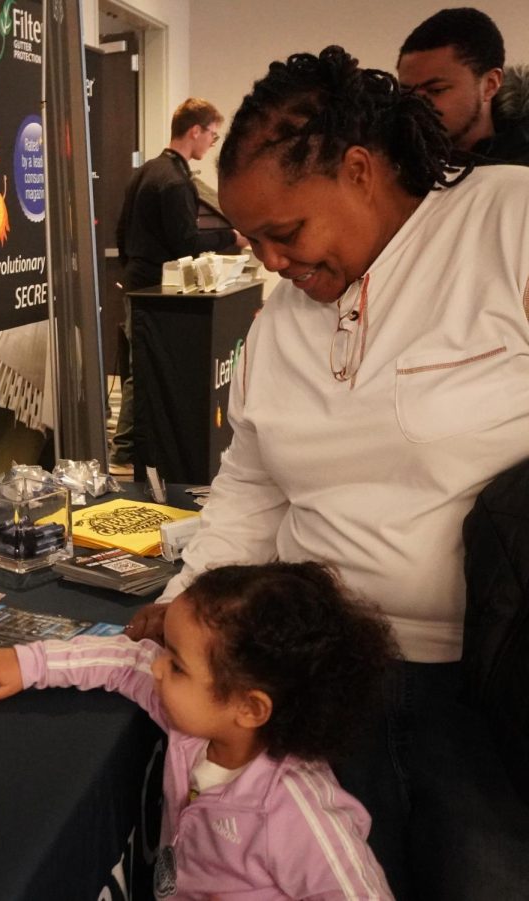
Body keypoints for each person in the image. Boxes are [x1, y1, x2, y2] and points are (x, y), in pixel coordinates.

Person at [127, 46, 529, 899]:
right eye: (251, 240)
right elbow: (251, 486)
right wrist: (185, 600)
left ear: (358, 170)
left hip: (487, 686)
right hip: (323, 684)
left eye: (285, 232)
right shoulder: (282, 326)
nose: (270, 262)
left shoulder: (506, 221)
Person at [0, 562, 395, 899]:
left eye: (177, 665)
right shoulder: (198, 727)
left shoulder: (298, 813)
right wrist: (31, 664)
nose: (157, 666)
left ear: (249, 707)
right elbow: (129, 662)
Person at [109, 99, 247, 474]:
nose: (211, 144)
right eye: (213, 137)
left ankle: (125, 449)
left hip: (137, 282)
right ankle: (126, 453)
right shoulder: (174, 181)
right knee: (147, 371)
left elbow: (122, 232)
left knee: (137, 370)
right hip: (158, 292)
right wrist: (231, 237)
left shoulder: (145, 172)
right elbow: (186, 241)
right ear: (195, 131)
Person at [396, 7, 529, 165]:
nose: (416, 105)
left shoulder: (521, 174)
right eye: (406, 92)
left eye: (436, 90)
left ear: (490, 85)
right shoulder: (389, 163)